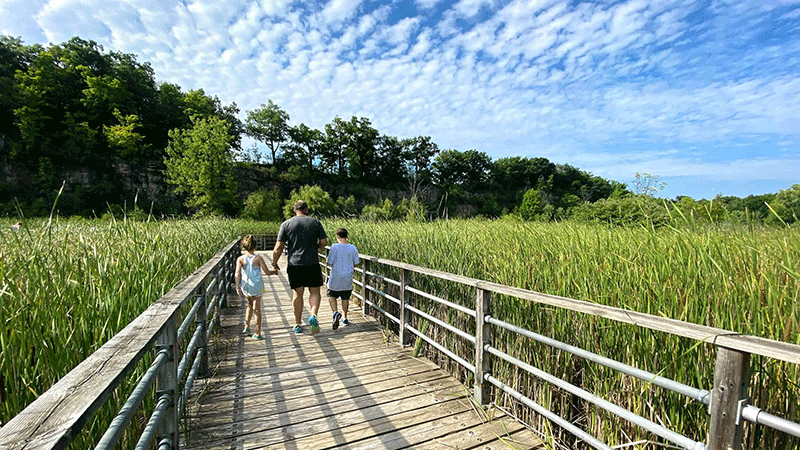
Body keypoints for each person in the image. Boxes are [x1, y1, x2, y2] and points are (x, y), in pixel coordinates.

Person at [272, 200, 328, 334]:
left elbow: (278, 247)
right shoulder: (315, 222)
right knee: (314, 292)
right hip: (312, 263)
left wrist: (274, 263)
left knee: (297, 294)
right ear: (306, 209)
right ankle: (313, 315)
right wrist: (317, 248)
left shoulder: (286, 224)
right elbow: (324, 242)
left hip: (294, 264)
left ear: (294, 210)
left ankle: (297, 324)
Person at [235, 234, 277, 340]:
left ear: (244, 247)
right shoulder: (258, 258)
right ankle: (258, 333)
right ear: (255, 247)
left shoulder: (240, 259)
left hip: (246, 287)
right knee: (257, 310)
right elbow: (267, 272)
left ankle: (247, 327)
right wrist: (273, 272)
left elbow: (237, 273)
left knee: (249, 305)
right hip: (257, 286)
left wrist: (237, 287)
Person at [326, 227, 359, 329]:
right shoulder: (353, 248)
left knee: (331, 295)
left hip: (336, 275)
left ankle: (335, 313)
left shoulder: (334, 247)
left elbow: (329, 262)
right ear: (347, 236)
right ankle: (344, 318)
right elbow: (356, 263)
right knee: (345, 297)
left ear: (338, 236)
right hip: (348, 276)